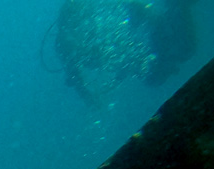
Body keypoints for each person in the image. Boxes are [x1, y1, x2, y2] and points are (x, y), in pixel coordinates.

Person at [53, 0, 197, 104]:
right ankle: (176, 9)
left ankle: (178, 6)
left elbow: (135, 11)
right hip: (140, 47)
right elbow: (76, 77)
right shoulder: (67, 42)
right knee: (155, 76)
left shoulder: (95, 16)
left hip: (146, 35)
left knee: (185, 50)